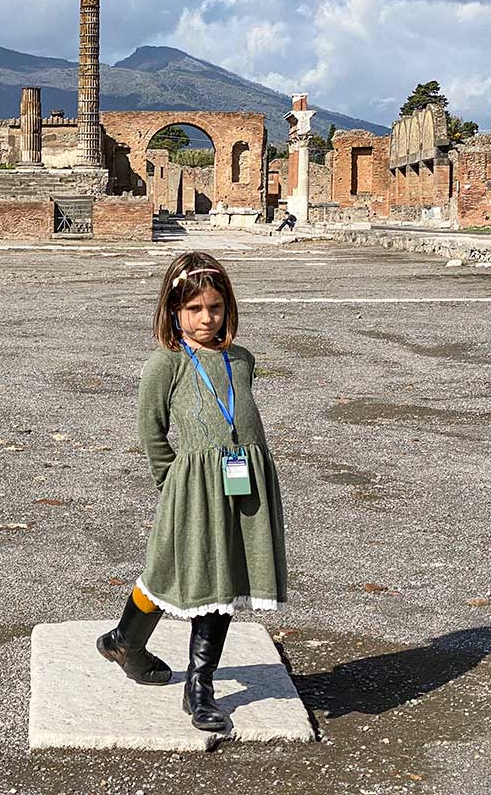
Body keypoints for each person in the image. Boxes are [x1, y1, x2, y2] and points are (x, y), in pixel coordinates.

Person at [96, 250, 288, 732]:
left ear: (229, 308)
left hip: (241, 487)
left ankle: (198, 686)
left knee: (221, 584)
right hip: (192, 490)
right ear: (175, 312)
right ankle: (126, 640)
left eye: (216, 307)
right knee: (169, 573)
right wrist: (174, 483)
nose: (207, 318)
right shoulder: (167, 363)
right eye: (196, 309)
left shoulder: (241, 360)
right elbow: (151, 431)